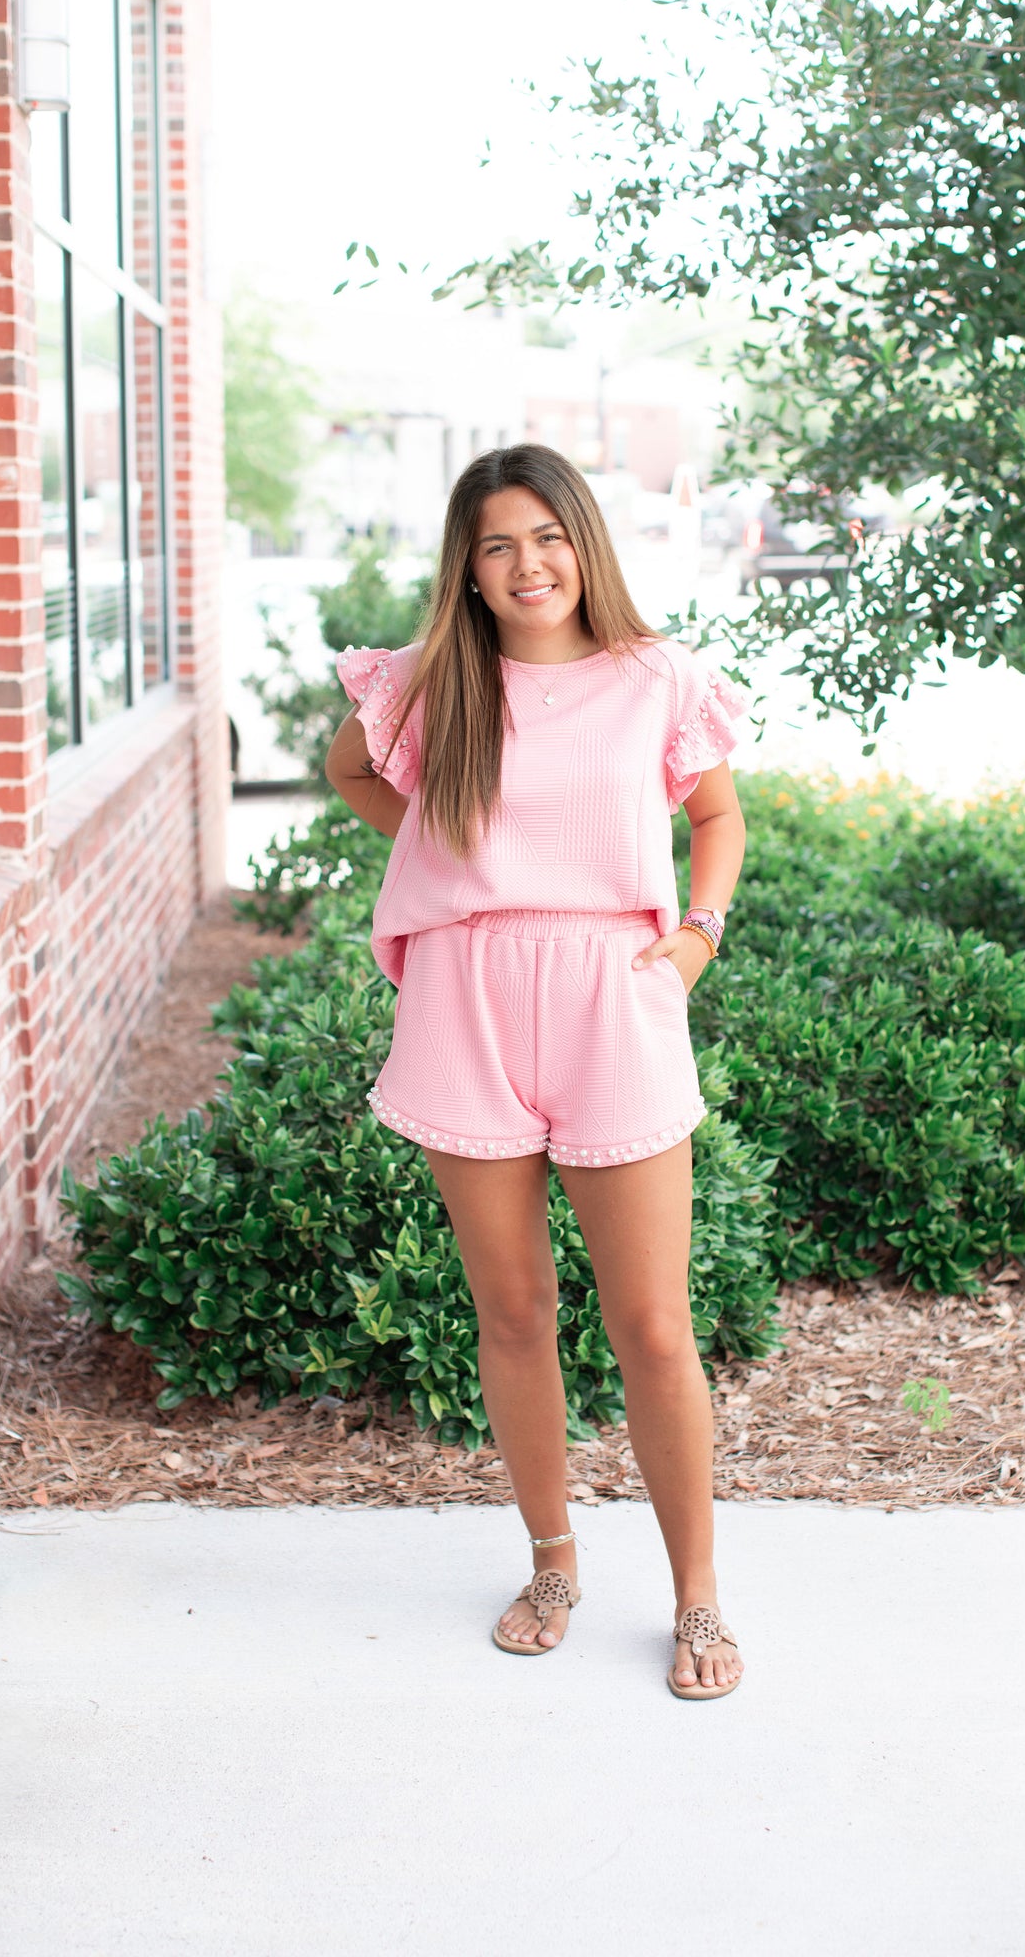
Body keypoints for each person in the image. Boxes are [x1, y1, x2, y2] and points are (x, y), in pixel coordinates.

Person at [324, 444, 750, 1701]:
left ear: (585, 543)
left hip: (614, 1004)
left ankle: (695, 1594)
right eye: (497, 543)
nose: (527, 565)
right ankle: (552, 1559)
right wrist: (456, 853)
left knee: (652, 1326)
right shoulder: (430, 683)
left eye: (547, 537)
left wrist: (689, 946)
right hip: (466, 1005)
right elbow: (351, 770)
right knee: (510, 1311)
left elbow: (715, 816)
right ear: (468, 563)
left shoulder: (653, 677)